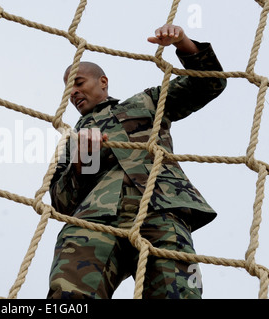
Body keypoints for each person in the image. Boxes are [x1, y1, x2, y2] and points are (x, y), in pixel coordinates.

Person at [47, 24, 227, 299]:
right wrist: (83, 163)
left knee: (179, 295)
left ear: (102, 82)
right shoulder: (71, 140)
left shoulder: (145, 103)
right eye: (67, 89)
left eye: (78, 83)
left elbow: (207, 83)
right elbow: (61, 202)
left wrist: (184, 43)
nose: (72, 92)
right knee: (69, 298)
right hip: (95, 221)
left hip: (161, 210)